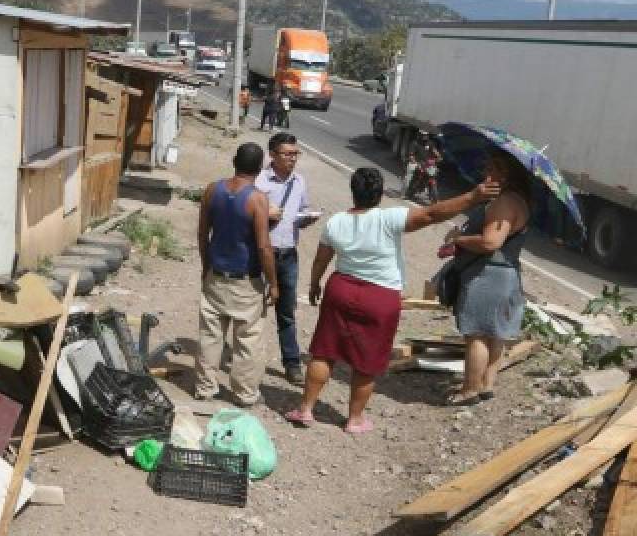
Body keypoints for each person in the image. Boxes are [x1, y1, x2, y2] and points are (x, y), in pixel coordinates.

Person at [284, 167, 498, 433]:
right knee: (367, 360)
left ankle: (305, 409)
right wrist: (473, 197)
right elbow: (433, 213)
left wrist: (315, 283)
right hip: (380, 297)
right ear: (380, 194)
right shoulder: (389, 218)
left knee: (325, 352)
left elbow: (321, 259)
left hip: (341, 288)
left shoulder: (336, 222)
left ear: (354, 191)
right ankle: (355, 419)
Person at [444, 150, 531, 405]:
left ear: (505, 174)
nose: (486, 173)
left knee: (477, 333)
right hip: (508, 274)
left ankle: (470, 389)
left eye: (492, 168)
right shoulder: (521, 200)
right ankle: (486, 385)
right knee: (496, 333)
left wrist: (457, 239)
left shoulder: (504, 203)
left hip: (488, 275)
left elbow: (491, 242)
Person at [196, 142, 279, 407]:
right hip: (245, 281)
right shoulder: (257, 199)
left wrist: (205, 265)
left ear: (234, 161)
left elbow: (202, 234)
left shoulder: (212, 190)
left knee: (210, 336)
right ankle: (244, 394)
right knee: (247, 340)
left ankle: (205, 388)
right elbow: (264, 246)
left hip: (215, 274)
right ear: (260, 168)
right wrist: (273, 283)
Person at [254, 132, 318, 386]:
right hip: (262, 255)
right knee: (253, 310)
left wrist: (307, 218)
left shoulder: (299, 181)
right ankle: (248, 362)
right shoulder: (259, 182)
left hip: (289, 255)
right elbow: (247, 216)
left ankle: (292, 365)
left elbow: (301, 210)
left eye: (295, 154)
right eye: (287, 154)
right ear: (272, 155)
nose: (292, 159)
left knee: (287, 313)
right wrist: (265, 217)